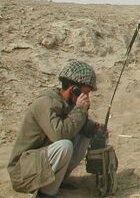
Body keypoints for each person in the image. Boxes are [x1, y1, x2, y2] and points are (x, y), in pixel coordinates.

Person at [7, 60, 105, 198]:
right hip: (23, 171)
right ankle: (46, 193)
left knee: (84, 135)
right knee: (64, 146)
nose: (87, 97)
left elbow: (78, 125)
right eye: (86, 93)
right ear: (74, 90)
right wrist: (80, 110)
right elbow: (59, 135)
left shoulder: (68, 102)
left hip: (38, 162)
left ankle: (57, 181)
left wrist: (96, 129)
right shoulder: (45, 103)